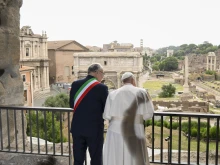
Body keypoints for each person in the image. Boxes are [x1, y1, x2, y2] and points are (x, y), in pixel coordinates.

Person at [103, 72, 154, 165]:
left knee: (116, 155)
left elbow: (106, 115)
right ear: (133, 80)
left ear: (122, 82)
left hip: (115, 129)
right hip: (135, 129)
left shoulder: (112, 94)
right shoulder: (142, 92)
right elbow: (149, 114)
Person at [69, 63, 108, 165]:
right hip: (94, 129)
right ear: (97, 72)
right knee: (96, 159)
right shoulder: (102, 88)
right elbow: (106, 109)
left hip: (77, 128)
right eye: (102, 73)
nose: (102, 76)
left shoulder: (75, 84)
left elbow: (72, 105)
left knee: (78, 160)